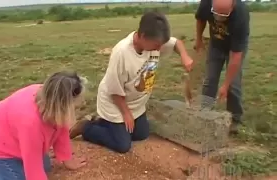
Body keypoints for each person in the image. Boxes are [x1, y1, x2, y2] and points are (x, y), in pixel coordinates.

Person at [69, 11, 194, 153]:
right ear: (143, 36)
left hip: (136, 104)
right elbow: (114, 92)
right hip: (115, 103)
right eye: (157, 45)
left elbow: (176, 42)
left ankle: (106, 124)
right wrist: (126, 114)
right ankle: (87, 128)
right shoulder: (121, 53)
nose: (159, 49)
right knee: (123, 145)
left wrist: (185, 56)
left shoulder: (154, 41)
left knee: (141, 134)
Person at [0, 71, 87, 180]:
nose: (80, 103)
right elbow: (32, 163)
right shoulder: (30, 123)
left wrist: (66, 158)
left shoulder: (49, 95)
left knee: (45, 167)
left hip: (11, 134)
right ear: (62, 102)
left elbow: (61, 126)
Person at [194, 0, 250, 134]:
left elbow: (235, 57)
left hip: (234, 47)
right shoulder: (206, 3)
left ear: (232, 6)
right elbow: (201, 19)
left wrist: (225, 85)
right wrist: (198, 39)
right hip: (216, 45)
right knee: (210, 80)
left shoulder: (241, 15)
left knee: (233, 84)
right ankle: (205, 114)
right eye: (216, 15)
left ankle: (235, 119)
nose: (219, 19)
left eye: (224, 16)